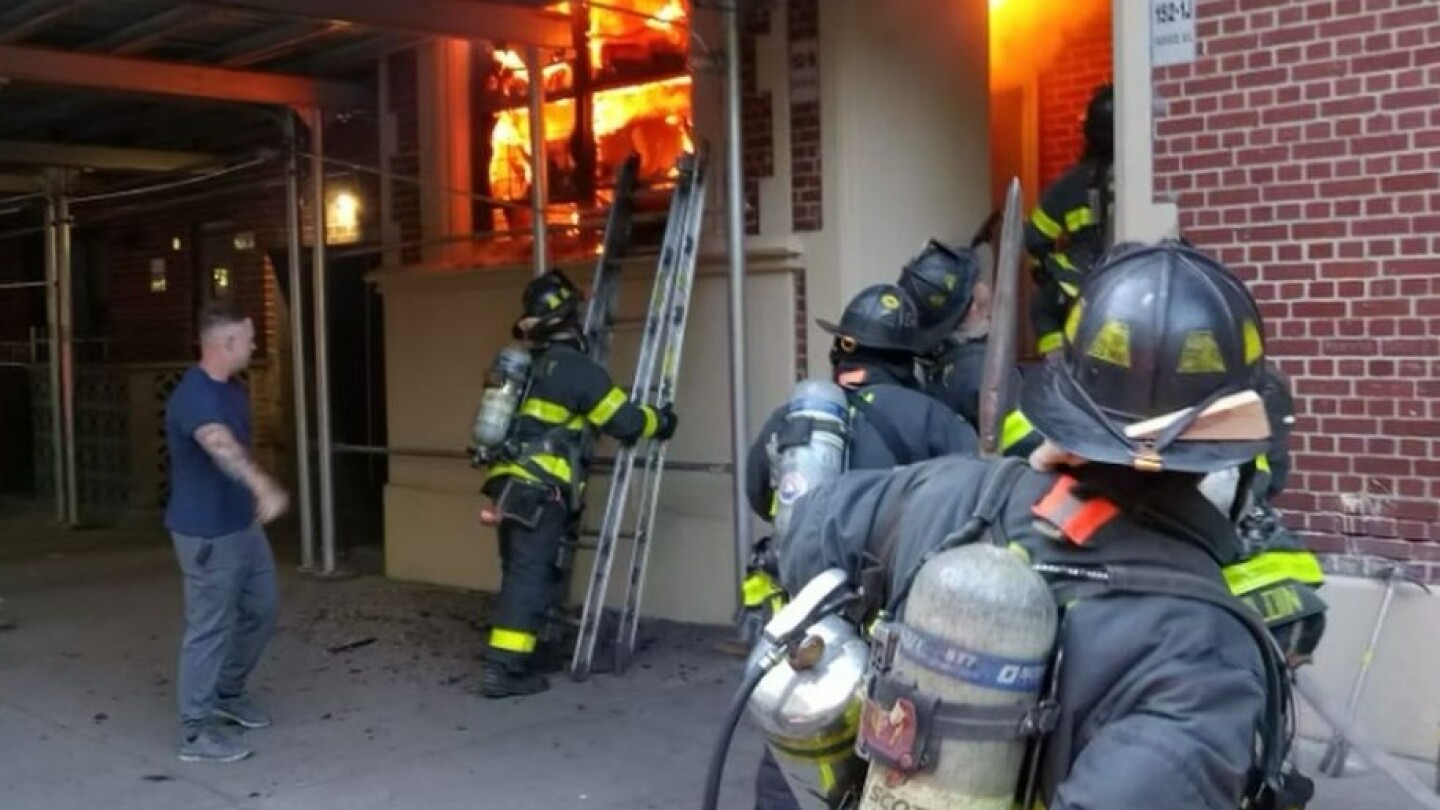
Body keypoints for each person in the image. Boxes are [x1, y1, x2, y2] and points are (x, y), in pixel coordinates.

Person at [775, 242, 1304, 809]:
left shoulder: (946, 493)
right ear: (1231, 461)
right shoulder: (1206, 659)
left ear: (1067, 407)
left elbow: (803, 534)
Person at [743, 282, 978, 810]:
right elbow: (972, 514)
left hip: (806, 635)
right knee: (890, 768)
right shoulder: (934, 419)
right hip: (892, 643)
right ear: (907, 359)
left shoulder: (797, 420)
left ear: (841, 351)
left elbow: (761, 493)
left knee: (794, 758)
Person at [480, 269, 677, 699]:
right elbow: (623, 420)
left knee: (523, 571)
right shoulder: (576, 370)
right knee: (529, 576)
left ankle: (527, 652)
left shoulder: (528, 367)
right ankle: (503, 669)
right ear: (572, 319)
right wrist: (660, 421)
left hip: (507, 482)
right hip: (539, 487)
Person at [164, 300, 288, 763]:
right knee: (209, 628)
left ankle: (226, 692)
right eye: (250, 338)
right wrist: (264, 486)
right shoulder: (193, 396)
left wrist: (253, 499)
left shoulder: (233, 387)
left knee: (263, 609)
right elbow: (219, 445)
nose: (255, 345)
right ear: (226, 343)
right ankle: (195, 733)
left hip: (241, 524)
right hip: (207, 534)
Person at [895, 239, 1040, 458]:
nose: (987, 288)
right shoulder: (983, 371)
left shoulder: (935, 369)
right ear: (973, 307)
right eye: (978, 282)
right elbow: (1030, 447)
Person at [1025, 83, 1114, 356]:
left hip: (1080, 283)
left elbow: (1035, 238)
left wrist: (1045, 270)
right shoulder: (1146, 178)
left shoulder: (1071, 184)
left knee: (1042, 307)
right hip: (1128, 281)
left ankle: (1055, 366)